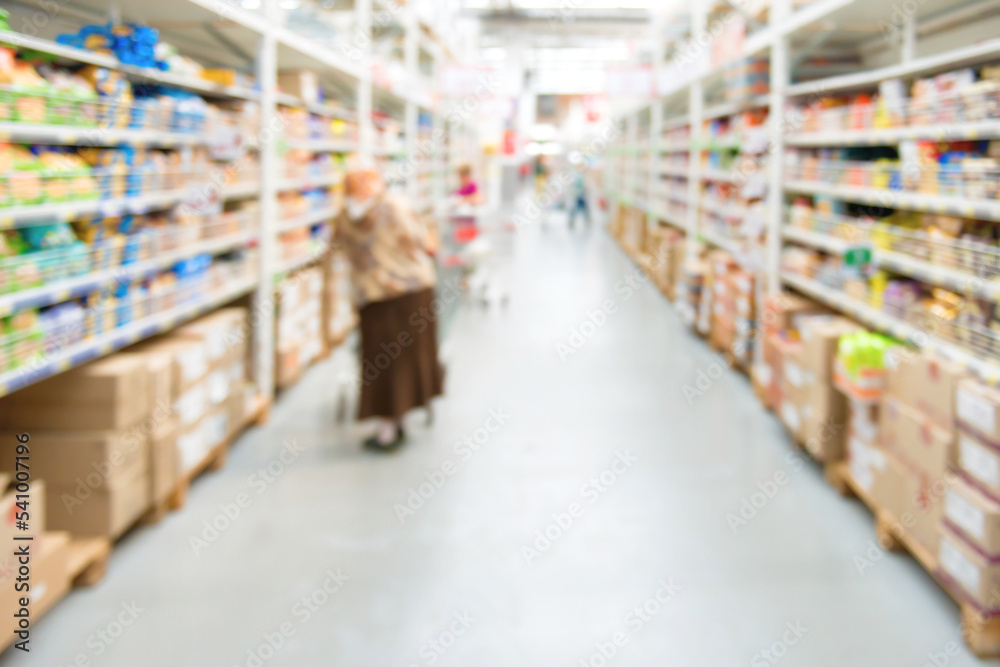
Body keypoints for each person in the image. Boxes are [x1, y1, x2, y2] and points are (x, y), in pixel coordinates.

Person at [333, 169, 444, 451]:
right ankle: (392, 426)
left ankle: (391, 425)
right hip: (402, 294)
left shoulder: (347, 216)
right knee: (401, 362)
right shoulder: (391, 206)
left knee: (385, 362)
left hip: (380, 296)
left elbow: (338, 251)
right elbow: (425, 242)